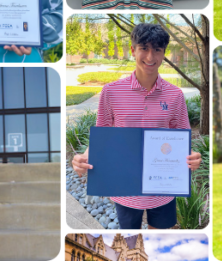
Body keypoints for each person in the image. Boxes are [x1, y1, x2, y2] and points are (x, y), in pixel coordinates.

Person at [71, 23, 201, 229]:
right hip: (125, 188)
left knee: (159, 238)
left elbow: (181, 137)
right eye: (144, 48)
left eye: (157, 49)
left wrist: (192, 156)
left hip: (163, 187)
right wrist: (84, 158)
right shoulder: (111, 92)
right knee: (130, 239)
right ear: (133, 50)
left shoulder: (175, 95)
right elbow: (102, 136)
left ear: (164, 53)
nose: (150, 57)